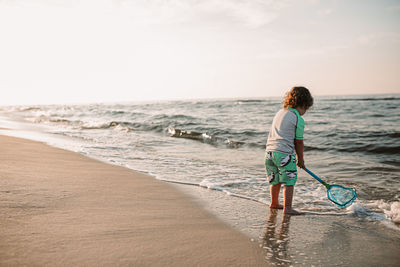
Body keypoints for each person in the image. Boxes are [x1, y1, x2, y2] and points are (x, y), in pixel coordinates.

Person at [265, 86, 313, 215]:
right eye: (306, 108)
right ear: (303, 104)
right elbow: (299, 141)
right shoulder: (298, 119)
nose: (305, 111)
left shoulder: (280, 112)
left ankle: (274, 202)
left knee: (275, 180)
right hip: (284, 154)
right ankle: (288, 208)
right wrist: (300, 159)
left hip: (269, 153)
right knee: (289, 181)